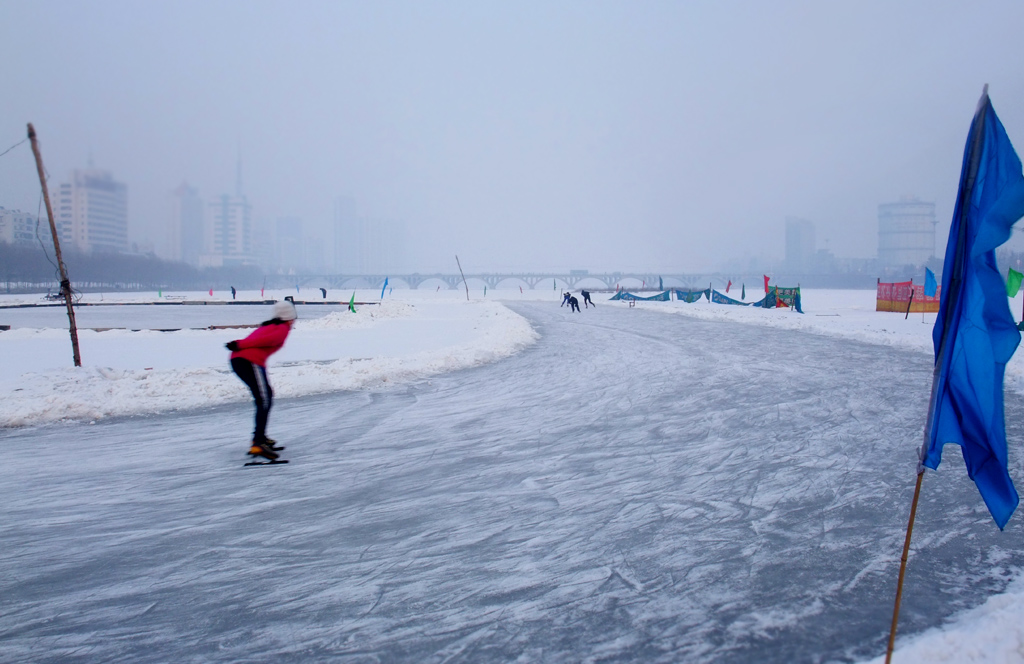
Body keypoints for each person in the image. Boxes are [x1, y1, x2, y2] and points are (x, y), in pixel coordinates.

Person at [226, 300, 297, 460]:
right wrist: (239, 344)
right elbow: (266, 341)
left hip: (244, 361)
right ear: (289, 317)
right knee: (264, 399)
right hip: (248, 361)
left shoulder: (270, 325)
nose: (293, 322)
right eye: (293, 318)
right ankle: (258, 442)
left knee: (266, 396)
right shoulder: (282, 329)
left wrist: (239, 345)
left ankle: (261, 438)